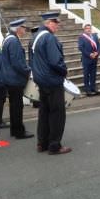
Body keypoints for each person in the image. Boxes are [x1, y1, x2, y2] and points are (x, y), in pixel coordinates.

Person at [32, 11, 71, 155]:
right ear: (49, 23)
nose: (57, 27)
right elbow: (56, 61)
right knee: (57, 113)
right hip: (52, 81)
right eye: (56, 24)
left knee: (44, 112)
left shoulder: (35, 36)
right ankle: (55, 145)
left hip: (41, 80)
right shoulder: (49, 38)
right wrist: (64, 71)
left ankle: (42, 143)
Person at [0, 19, 34, 139]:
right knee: (17, 106)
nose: (25, 30)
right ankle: (19, 131)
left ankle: (15, 130)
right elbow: (17, 63)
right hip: (14, 79)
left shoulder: (8, 39)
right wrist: (28, 71)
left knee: (14, 105)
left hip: (10, 78)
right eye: (24, 27)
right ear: (19, 28)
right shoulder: (14, 41)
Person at [78, 24, 100, 96]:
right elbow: (81, 48)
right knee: (86, 74)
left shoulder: (94, 36)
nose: (88, 29)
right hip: (87, 59)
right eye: (87, 28)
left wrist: (97, 52)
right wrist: (89, 54)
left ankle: (93, 87)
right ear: (84, 30)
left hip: (95, 58)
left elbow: (99, 45)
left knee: (93, 74)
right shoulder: (82, 37)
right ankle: (87, 89)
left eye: (89, 28)